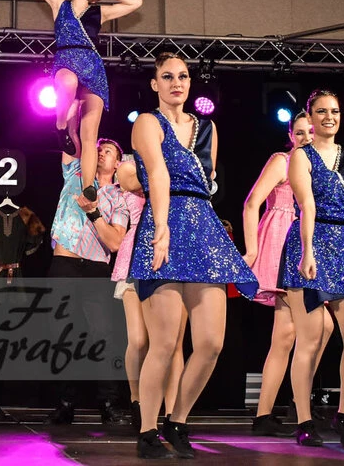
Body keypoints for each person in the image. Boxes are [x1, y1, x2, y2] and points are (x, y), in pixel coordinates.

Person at [127, 52, 258, 459]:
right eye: (167, 77)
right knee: (164, 344)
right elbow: (158, 173)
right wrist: (161, 228)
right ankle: (147, 430)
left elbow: (209, 182)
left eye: (182, 76)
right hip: (163, 225)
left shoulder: (208, 129)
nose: (176, 83)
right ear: (155, 84)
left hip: (203, 230)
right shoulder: (148, 123)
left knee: (211, 342)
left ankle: (177, 420)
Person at [279, 90, 344, 449]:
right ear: (310, 117)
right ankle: (304, 419)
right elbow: (306, 206)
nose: (329, 117)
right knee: (309, 339)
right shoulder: (301, 156)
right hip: (312, 242)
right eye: (321, 111)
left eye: (334, 111)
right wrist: (308, 252)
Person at [241, 112, 334, 437]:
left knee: (289, 335)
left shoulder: (316, 166)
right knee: (315, 327)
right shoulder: (282, 161)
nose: (306, 137)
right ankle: (292, 404)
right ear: (291, 135)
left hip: (304, 246)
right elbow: (252, 203)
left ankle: (270, 412)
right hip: (281, 245)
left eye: (311, 132)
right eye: (300, 132)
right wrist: (251, 250)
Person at [27, 0, 142, 199]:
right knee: (68, 84)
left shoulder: (100, 11)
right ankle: (60, 125)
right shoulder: (60, 4)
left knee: (89, 134)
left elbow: (136, 2)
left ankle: (89, 188)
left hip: (92, 68)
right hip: (66, 60)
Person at [45, 113, 131, 426]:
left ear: (119, 163)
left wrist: (94, 213)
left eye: (108, 151)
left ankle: (108, 403)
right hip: (64, 264)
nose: (101, 153)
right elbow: (71, 135)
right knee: (62, 335)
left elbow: (115, 242)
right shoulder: (75, 173)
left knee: (103, 336)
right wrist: (76, 107)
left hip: (96, 270)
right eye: (98, 149)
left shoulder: (121, 199)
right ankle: (65, 403)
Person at [115, 160, 187, 433]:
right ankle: (136, 399)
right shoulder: (129, 166)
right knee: (138, 340)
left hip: (174, 251)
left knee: (174, 343)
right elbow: (135, 182)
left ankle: (171, 413)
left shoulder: (178, 160)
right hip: (137, 254)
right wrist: (165, 163)